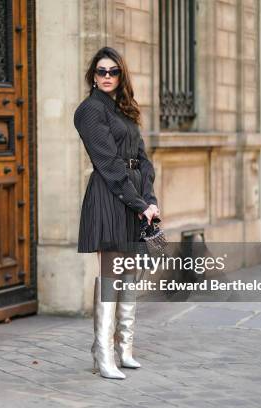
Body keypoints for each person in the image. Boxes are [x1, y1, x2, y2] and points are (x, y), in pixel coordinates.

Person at [73, 46, 160, 379]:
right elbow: (108, 163)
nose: (107, 77)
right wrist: (139, 204)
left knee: (131, 272)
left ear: (121, 75)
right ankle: (103, 353)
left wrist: (149, 199)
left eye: (113, 71)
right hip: (111, 196)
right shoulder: (89, 111)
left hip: (135, 196)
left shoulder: (125, 109)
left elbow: (143, 159)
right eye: (101, 72)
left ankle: (124, 347)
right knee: (111, 272)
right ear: (92, 77)